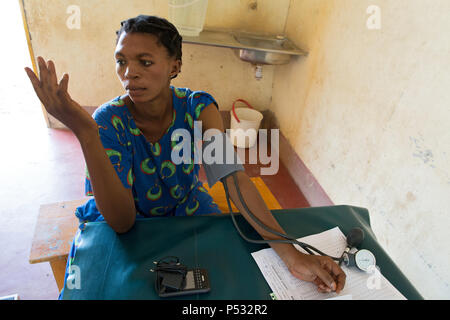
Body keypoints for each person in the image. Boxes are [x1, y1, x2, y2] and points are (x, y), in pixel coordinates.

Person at [24, 15, 345, 298]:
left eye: (145, 62)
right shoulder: (109, 121)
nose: (129, 73)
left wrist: (291, 256)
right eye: (121, 61)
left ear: (175, 66)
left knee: (223, 273)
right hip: (125, 216)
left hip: (185, 203)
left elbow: (233, 180)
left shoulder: (199, 109)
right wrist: (86, 134)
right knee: (124, 285)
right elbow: (122, 222)